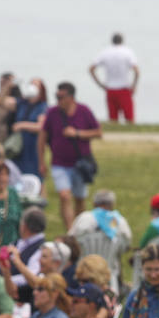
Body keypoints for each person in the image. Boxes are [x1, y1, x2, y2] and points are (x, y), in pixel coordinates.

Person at [40, 82, 102, 229]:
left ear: (71, 97)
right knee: (64, 195)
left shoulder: (84, 110)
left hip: (79, 164)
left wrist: (78, 133)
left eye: (61, 96)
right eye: (57, 96)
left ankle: (79, 228)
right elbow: (42, 137)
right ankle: (70, 231)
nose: (58, 100)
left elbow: (98, 132)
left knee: (80, 199)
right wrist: (41, 161)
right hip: (59, 163)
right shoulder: (52, 112)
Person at [89, 33, 139, 123]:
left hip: (110, 89)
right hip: (124, 88)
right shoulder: (127, 52)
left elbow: (91, 69)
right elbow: (136, 71)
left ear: (112, 41)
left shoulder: (105, 52)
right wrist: (134, 85)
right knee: (130, 119)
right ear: (122, 41)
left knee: (113, 120)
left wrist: (100, 84)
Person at [11, 80, 49, 179]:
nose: (33, 87)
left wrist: (21, 125)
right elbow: (2, 101)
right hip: (19, 148)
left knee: (35, 177)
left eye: (36, 85)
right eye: (31, 84)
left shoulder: (42, 106)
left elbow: (41, 126)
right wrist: (8, 86)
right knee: (17, 176)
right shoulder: (22, 103)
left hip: (33, 147)